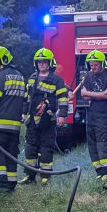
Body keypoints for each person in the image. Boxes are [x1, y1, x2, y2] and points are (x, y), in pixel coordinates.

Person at [22, 48, 68, 185]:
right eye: (39, 62)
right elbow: (27, 97)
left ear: (50, 63)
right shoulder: (32, 78)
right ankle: (29, 175)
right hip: (32, 118)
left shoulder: (56, 79)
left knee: (46, 147)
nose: (41, 64)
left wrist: (62, 115)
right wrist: (23, 112)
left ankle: (45, 176)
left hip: (48, 118)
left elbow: (63, 98)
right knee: (30, 147)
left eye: (44, 62)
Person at [0, 45, 25, 191]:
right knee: (11, 154)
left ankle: (1, 183)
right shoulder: (20, 76)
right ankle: (11, 183)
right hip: (15, 126)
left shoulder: (0, 77)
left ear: (4, 60)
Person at [78, 49, 107, 183]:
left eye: (96, 65)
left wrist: (91, 94)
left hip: (105, 115)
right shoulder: (88, 76)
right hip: (91, 115)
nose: (93, 67)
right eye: (91, 65)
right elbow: (84, 96)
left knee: (103, 144)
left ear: (102, 63)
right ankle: (100, 172)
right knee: (93, 145)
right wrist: (102, 94)